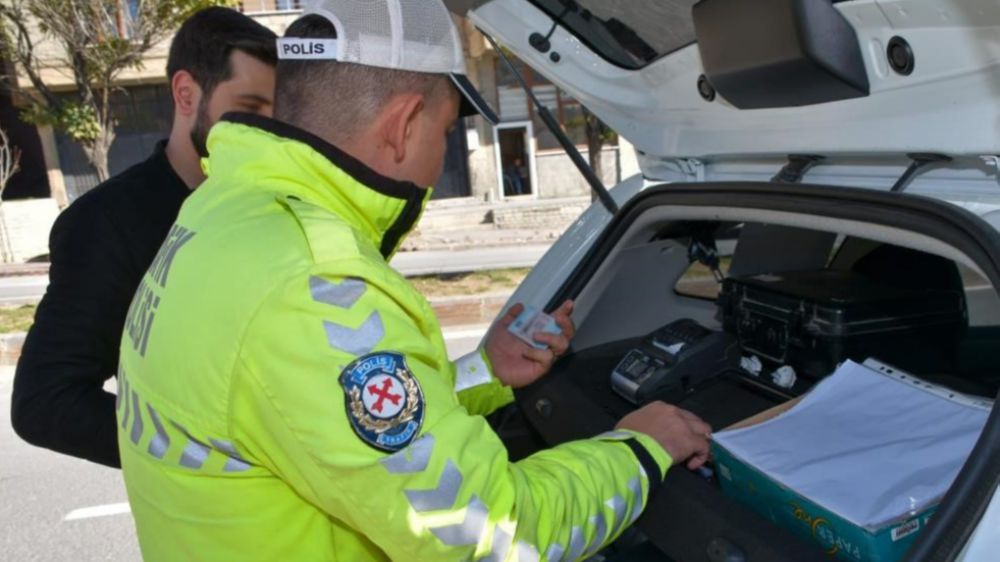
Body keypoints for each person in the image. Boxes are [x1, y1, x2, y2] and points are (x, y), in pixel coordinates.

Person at [116, 1, 712, 560]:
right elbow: (493, 538)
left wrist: (487, 373)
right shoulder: (313, 284)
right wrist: (642, 448)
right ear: (403, 124)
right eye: (446, 130)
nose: (437, 158)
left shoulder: (225, 212)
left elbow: (328, 419)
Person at [10, 7, 278, 468]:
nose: (267, 130)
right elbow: (45, 401)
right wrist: (209, 460)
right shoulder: (107, 223)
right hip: (210, 518)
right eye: (249, 110)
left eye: (276, 114)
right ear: (186, 92)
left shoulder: (274, 205)